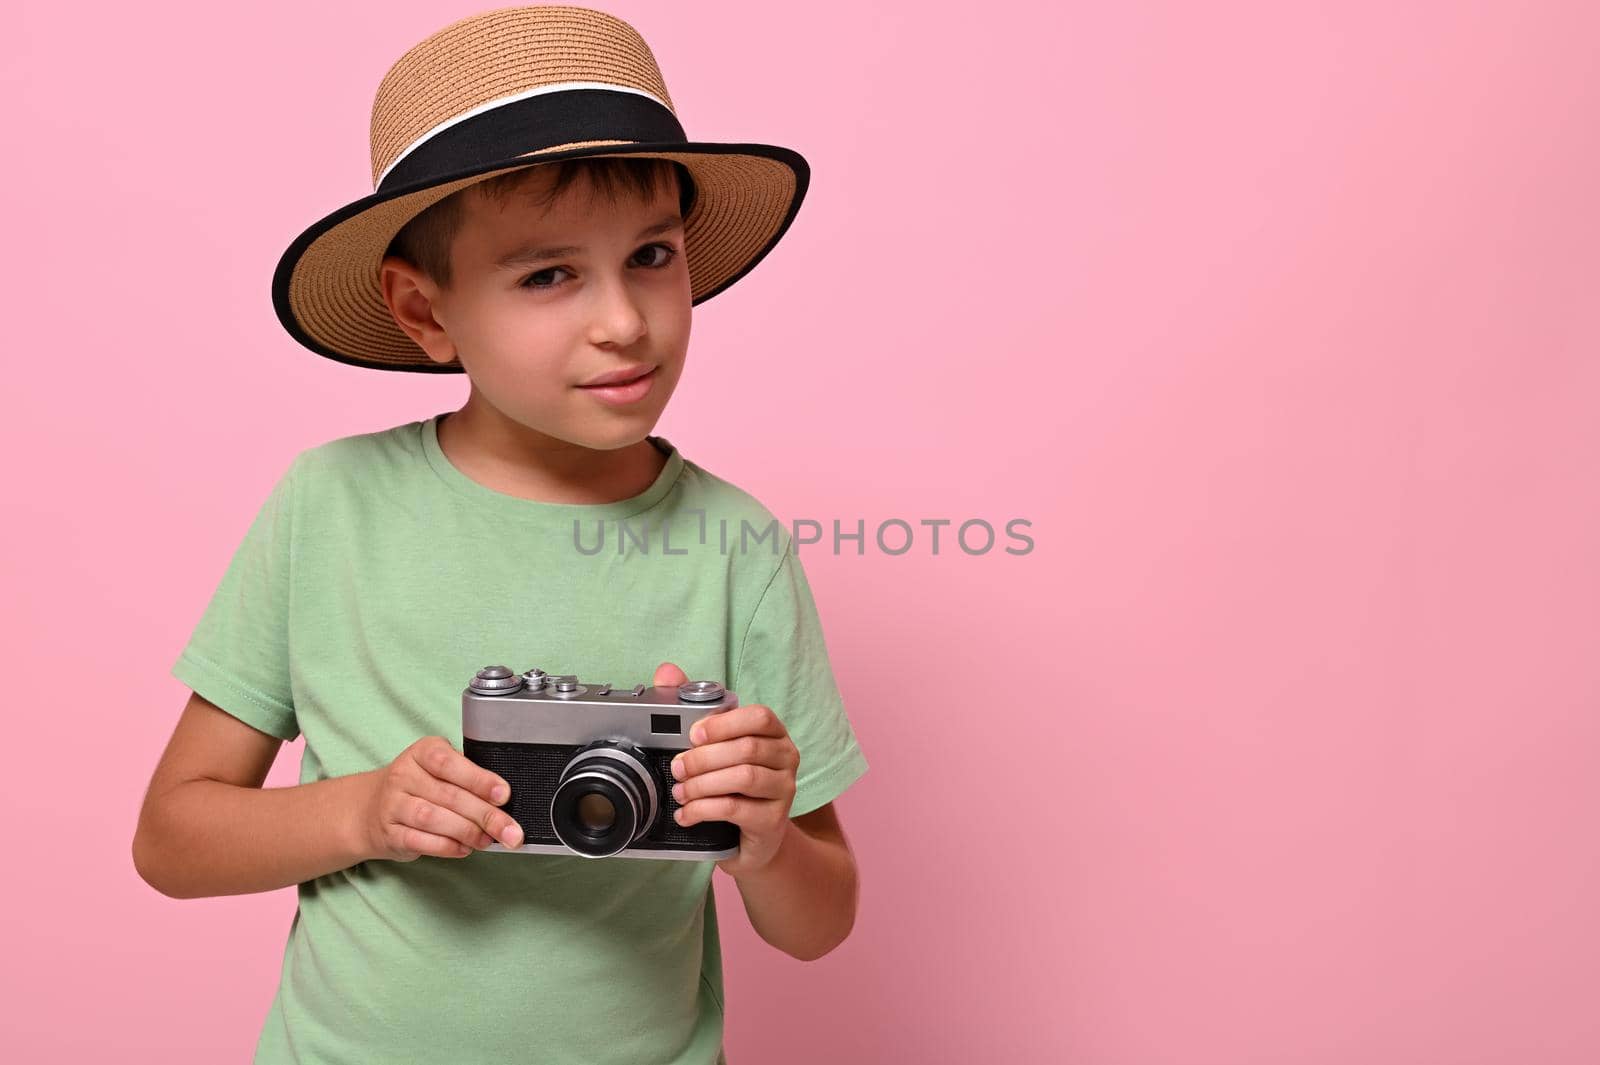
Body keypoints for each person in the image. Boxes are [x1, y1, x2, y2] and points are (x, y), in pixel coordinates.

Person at [130, 6, 868, 1063]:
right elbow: (171, 839)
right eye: (547, 275)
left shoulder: (734, 544)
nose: (623, 319)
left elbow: (821, 920)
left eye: (652, 254)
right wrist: (368, 811)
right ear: (425, 312)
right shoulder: (330, 505)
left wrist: (760, 842)